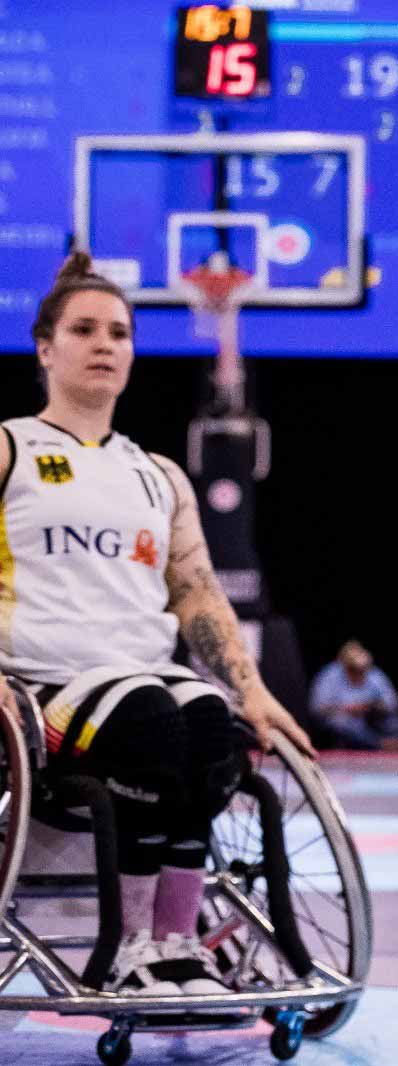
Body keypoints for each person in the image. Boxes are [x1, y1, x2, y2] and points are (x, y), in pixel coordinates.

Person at [0, 252, 313, 997]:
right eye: (84, 329)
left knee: (210, 725)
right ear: (47, 348)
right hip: (42, 691)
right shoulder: (10, 446)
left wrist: (254, 692)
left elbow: (199, 595)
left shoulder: (159, 474)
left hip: (140, 679)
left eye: (120, 331)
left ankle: (179, 944)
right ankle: (133, 943)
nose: (105, 343)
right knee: (150, 721)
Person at [309, 639, 398, 750]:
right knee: (342, 726)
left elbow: (393, 704)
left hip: (371, 720)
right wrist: (345, 709)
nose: (359, 674)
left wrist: (371, 706)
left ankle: (385, 744)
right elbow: (317, 707)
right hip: (343, 720)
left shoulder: (374, 675)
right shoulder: (330, 675)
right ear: (344, 665)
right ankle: (380, 745)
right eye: (353, 670)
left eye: (362, 670)